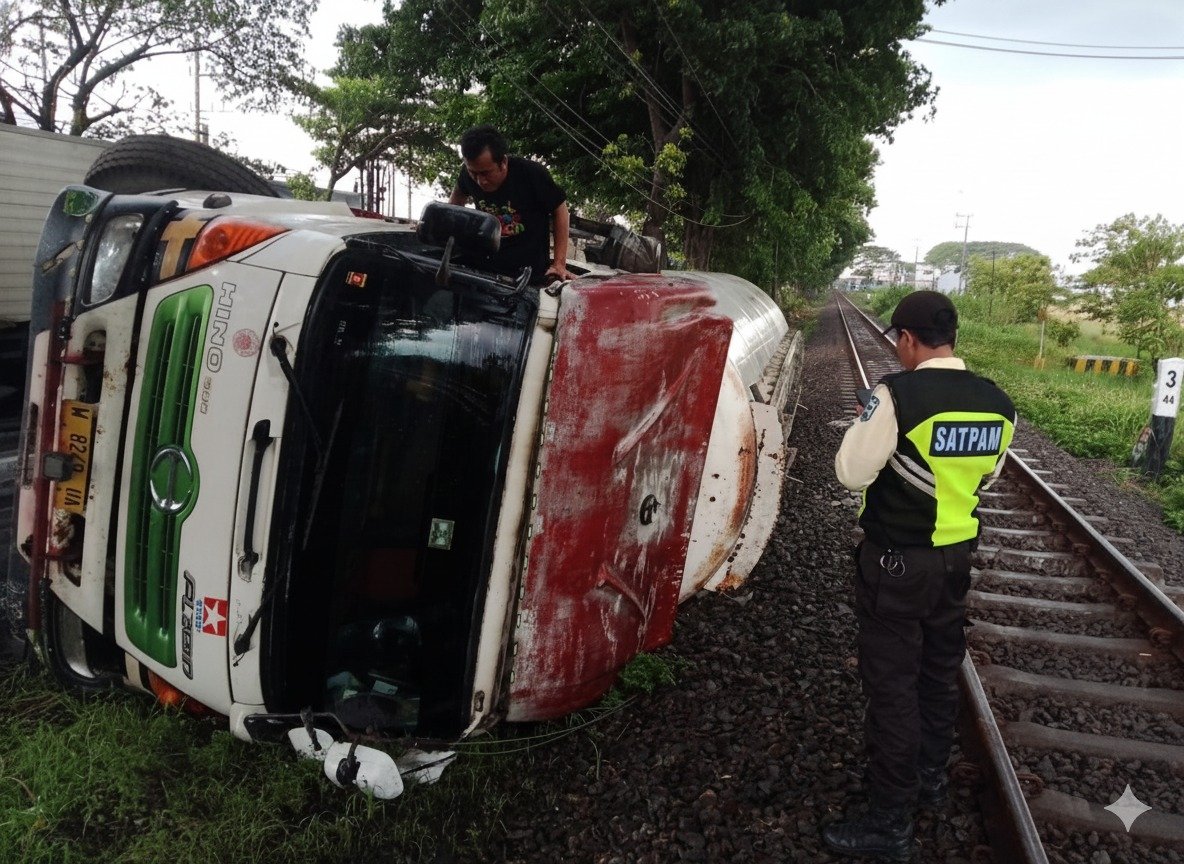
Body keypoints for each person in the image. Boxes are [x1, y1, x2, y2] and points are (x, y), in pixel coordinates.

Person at [825, 290, 1016, 861]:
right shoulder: (998, 402)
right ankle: (931, 778)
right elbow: (987, 479)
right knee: (937, 673)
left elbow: (850, 474)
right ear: (951, 336)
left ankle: (890, 819)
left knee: (891, 687)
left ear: (907, 339)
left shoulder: (896, 395)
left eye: (897, 342)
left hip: (897, 564)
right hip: (956, 561)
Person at [448, 125, 572, 284]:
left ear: (503, 162)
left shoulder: (531, 174)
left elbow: (560, 209)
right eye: (474, 173)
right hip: (485, 271)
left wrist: (559, 264)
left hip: (527, 277)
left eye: (486, 173)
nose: (480, 181)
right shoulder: (467, 174)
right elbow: (453, 208)